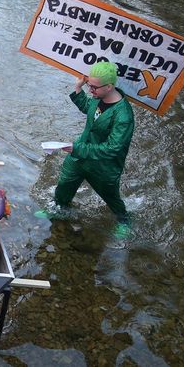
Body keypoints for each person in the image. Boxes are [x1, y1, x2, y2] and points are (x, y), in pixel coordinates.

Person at [37, 61, 135, 238]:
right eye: (89, 85)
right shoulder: (98, 99)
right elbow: (87, 108)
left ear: (110, 86)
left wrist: (77, 148)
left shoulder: (124, 115)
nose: (91, 90)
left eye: (94, 87)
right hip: (79, 157)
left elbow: (112, 149)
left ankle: (124, 220)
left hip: (104, 167)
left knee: (111, 197)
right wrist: (77, 89)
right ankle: (59, 207)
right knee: (65, 183)